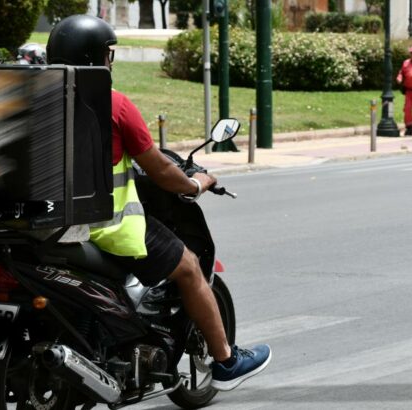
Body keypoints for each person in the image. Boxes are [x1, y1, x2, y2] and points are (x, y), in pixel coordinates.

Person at [46, 15, 271, 392]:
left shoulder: (34, 101)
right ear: (95, 58)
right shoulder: (114, 105)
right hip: (103, 226)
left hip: (41, 224)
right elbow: (161, 172)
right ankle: (226, 361)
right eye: (108, 54)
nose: (110, 61)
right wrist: (195, 184)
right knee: (188, 266)